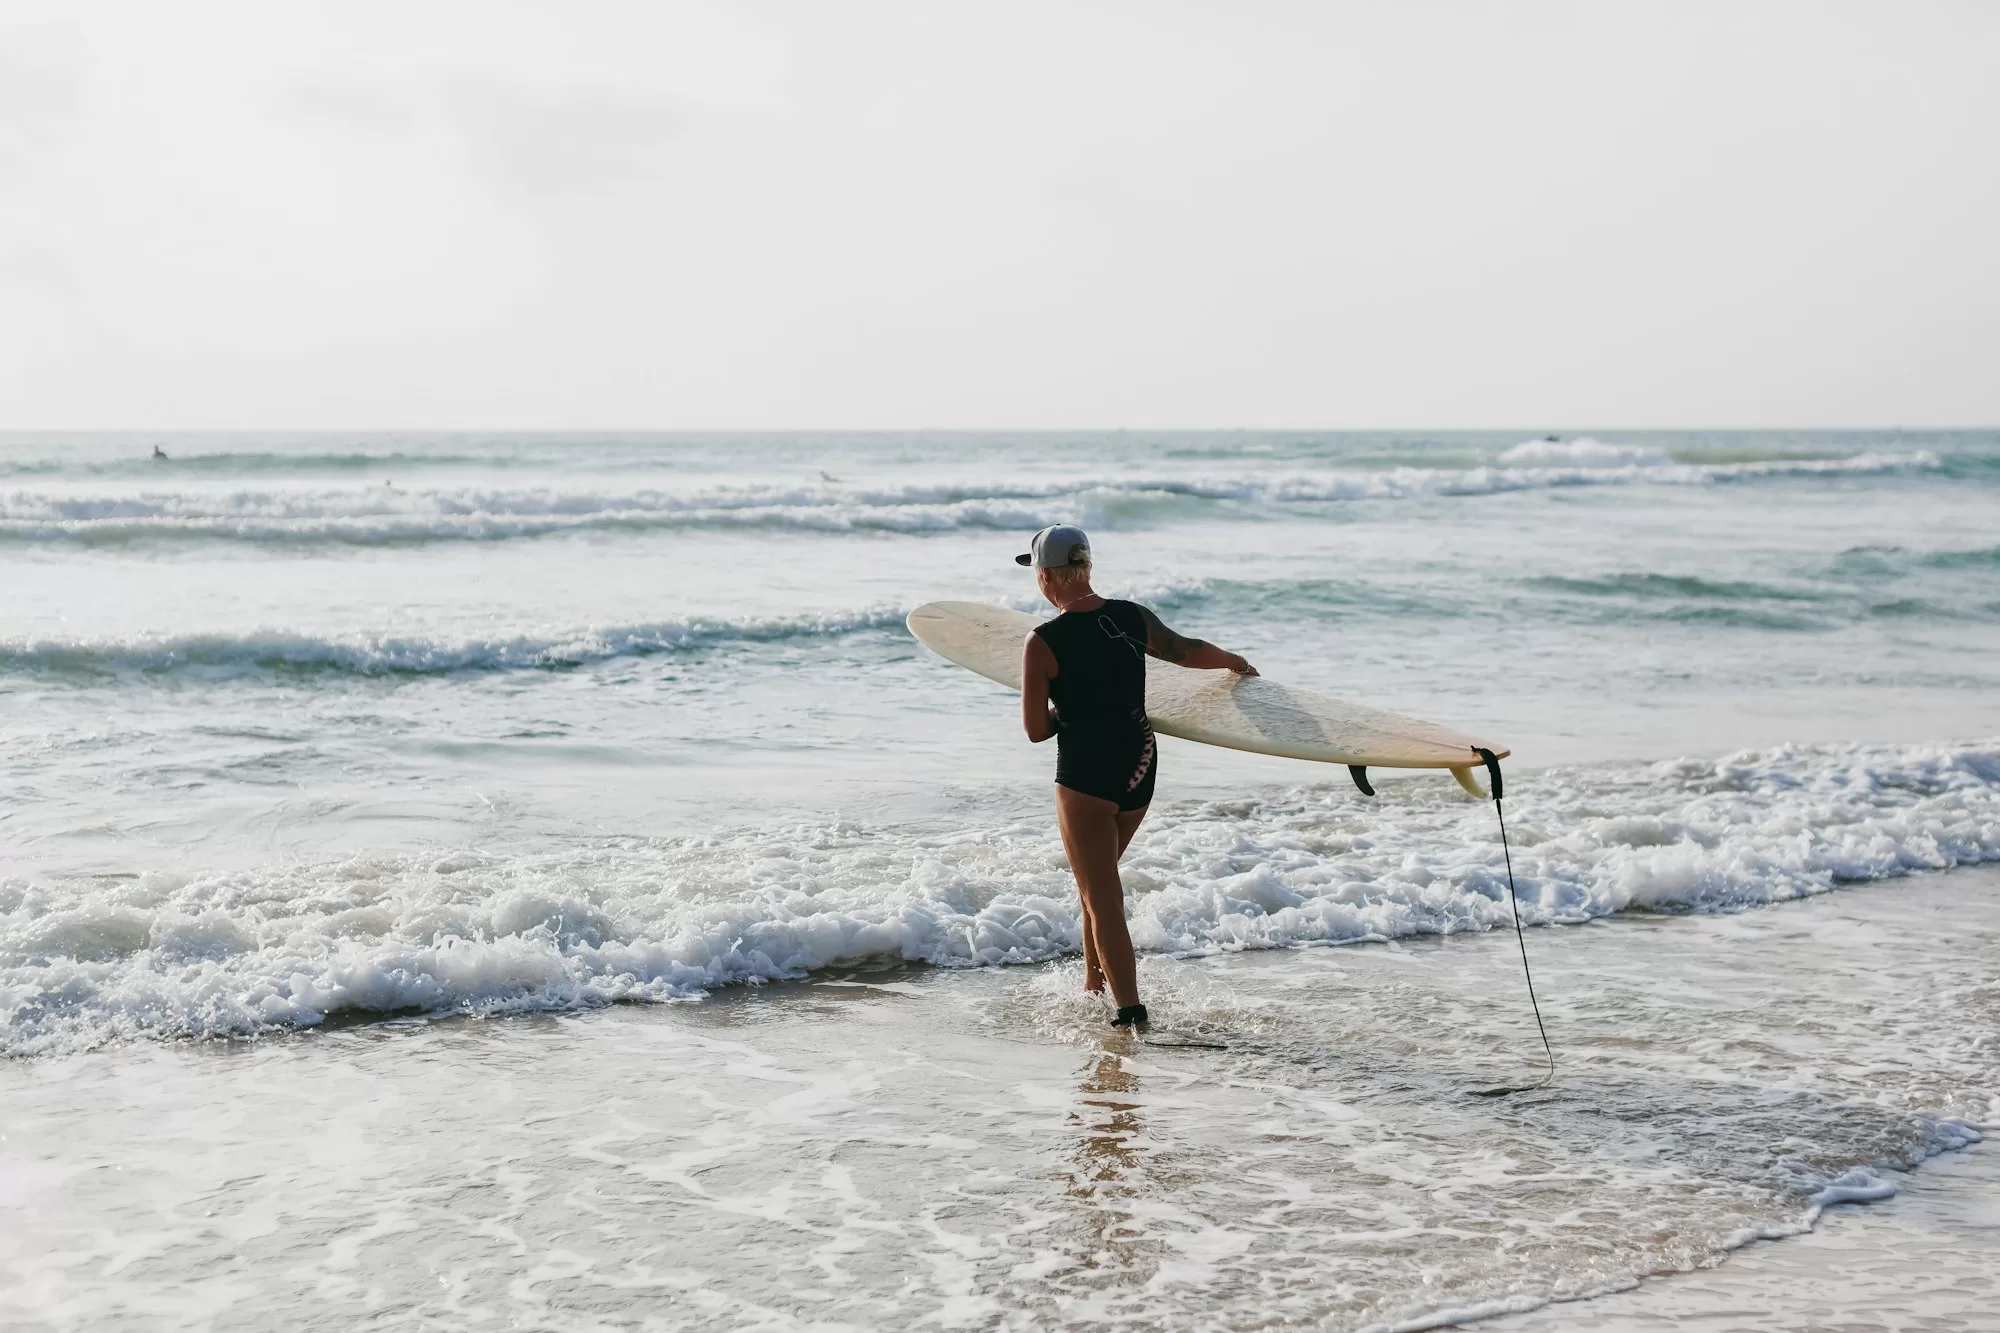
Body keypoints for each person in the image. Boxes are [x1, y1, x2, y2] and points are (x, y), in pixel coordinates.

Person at [1015, 525, 1256, 1029]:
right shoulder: (1130, 616)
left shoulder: (1042, 643)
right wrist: (1236, 663)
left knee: (1103, 896)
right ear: (1086, 569)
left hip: (1085, 777)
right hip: (1138, 766)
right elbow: (1186, 651)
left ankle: (1130, 1013)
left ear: (1044, 577)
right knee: (1094, 885)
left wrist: (1068, 712)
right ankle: (1093, 987)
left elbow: (1037, 731)